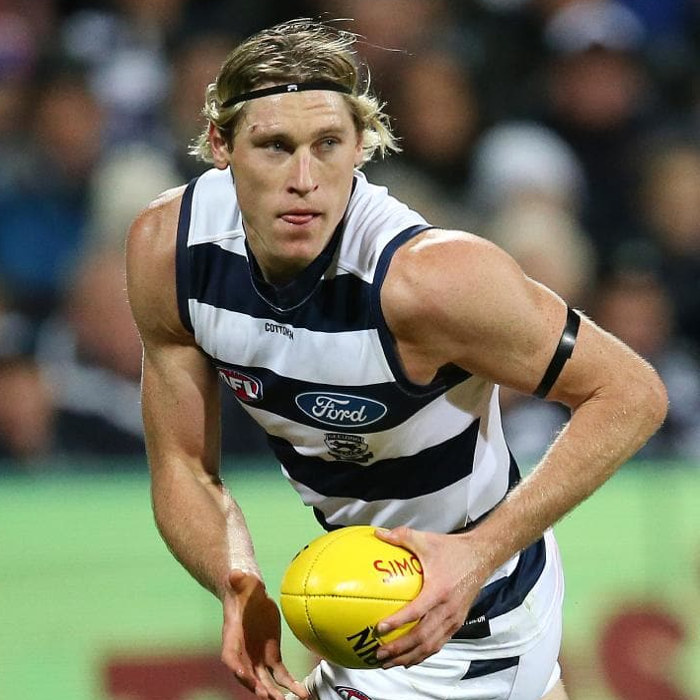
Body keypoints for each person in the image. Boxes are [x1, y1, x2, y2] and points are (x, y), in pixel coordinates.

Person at [125, 18, 667, 700]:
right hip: (365, 596)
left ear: (360, 146)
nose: (304, 179)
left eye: (328, 145)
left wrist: (477, 555)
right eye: (274, 146)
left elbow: (632, 393)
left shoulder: (429, 280)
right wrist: (234, 578)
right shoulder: (170, 253)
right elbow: (181, 462)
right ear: (220, 145)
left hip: (477, 611)